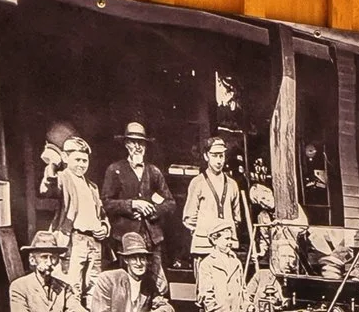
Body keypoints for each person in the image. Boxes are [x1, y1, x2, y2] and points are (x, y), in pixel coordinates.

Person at [103, 120, 173, 290]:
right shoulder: (115, 170)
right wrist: (132, 205)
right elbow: (106, 203)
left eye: (141, 143)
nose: (137, 146)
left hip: (152, 238)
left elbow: (170, 203)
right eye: (133, 142)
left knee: (158, 284)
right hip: (126, 238)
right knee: (126, 282)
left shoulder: (154, 172)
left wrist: (151, 210)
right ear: (126, 144)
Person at [40, 131, 109, 286]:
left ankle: (91, 311)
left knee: (94, 284)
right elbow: (47, 189)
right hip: (73, 239)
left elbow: (102, 214)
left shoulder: (92, 187)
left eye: (85, 161)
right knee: (73, 284)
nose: (81, 164)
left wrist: (104, 227)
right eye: (77, 159)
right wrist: (52, 165)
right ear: (65, 158)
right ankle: (72, 311)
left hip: (94, 241)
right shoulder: (63, 179)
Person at [182, 137, 247, 270]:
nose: (218, 160)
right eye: (214, 156)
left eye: (221, 156)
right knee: (206, 286)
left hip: (227, 247)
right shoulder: (197, 183)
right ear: (206, 156)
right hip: (204, 247)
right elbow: (189, 218)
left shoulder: (232, 184)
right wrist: (204, 231)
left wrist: (226, 236)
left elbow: (237, 217)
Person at [195, 221, 250, 312]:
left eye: (231, 239)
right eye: (226, 239)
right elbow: (206, 295)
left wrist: (247, 306)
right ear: (215, 240)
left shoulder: (236, 262)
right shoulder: (207, 263)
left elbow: (243, 289)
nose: (230, 243)